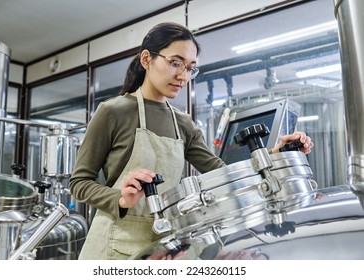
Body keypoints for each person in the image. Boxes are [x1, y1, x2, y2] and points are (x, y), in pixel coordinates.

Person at [69, 22, 314, 260]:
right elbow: (79, 182)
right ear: (146, 59)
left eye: (190, 68)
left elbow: (223, 173)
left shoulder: (183, 123)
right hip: (113, 247)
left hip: (162, 246)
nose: (183, 76)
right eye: (175, 63)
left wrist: (275, 155)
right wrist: (120, 198)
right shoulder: (113, 111)